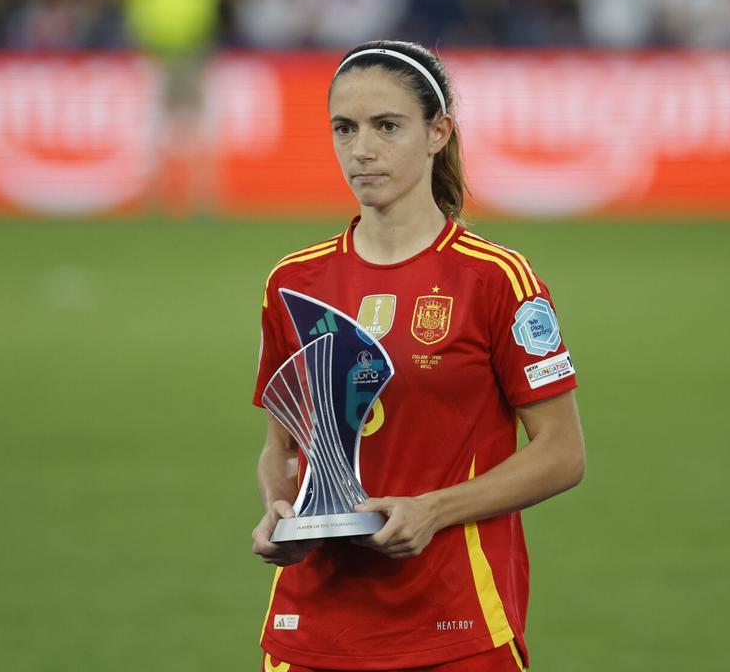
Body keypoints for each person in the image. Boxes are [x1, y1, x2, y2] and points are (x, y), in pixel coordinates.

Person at [250, 40, 586, 672]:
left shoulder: (496, 278)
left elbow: (563, 454)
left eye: (387, 126)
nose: (362, 149)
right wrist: (280, 513)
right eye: (344, 129)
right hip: (313, 627)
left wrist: (433, 510)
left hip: (455, 624)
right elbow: (282, 448)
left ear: (438, 133)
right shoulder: (293, 283)